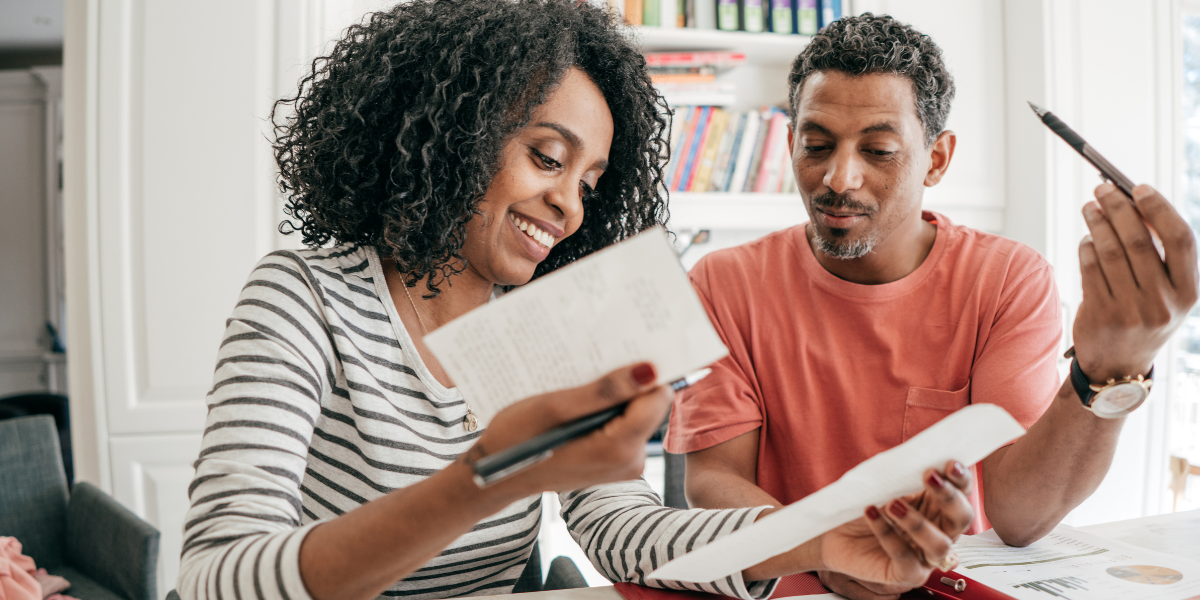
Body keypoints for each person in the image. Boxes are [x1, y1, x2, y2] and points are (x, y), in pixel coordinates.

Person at [176, 3, 977, 600]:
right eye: (547, 158)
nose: (570, 206)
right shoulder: (304, 297)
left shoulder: (555, 328)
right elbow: (215, 575)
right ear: (452, 130)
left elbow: (627, 531)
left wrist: (816, 536)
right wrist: (490, 478)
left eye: (591, 183)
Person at [666, 12, 1199, 600]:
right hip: (792, 585)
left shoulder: (1006, 280)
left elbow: (1019, 517)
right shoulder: (722, 281)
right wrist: (823, 549)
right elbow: (715, 477)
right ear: (791, 141)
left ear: (937, 159)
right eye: (816, 145)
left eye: (879, 150)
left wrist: (1106, 369)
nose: (839, 178)